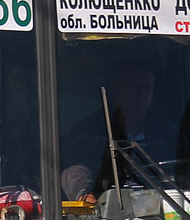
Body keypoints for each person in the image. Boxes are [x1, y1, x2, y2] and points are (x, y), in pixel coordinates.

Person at [60, 64, 158, 203]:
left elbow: (182, 174)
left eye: (146, 87)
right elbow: (75, 168)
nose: (141, 93)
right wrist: (85, 193)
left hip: (162, 211)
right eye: (134, 87)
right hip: (111, 215)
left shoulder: (165, 132)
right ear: (116, 90)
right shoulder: (90, 130)